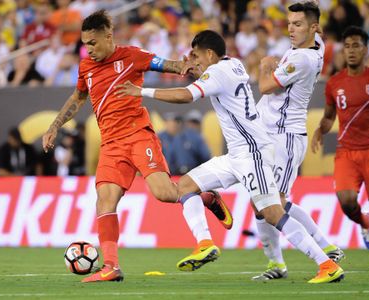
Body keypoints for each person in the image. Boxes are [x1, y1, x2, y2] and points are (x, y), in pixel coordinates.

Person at [115, 29, 344, 284]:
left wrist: (142, 92)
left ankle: (326, 264)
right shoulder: (233, 64)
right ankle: (205, 243)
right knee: (185, 187)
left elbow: (185, 96)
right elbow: (210, 76)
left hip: (253, 153)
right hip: (236, 154)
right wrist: (196, 69)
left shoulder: (218, 72)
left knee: (272, 213)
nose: (194, 60)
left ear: (210, 53)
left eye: (197, 55)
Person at [41, 10, 232, 283]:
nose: (89, 50)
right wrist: (55, 125)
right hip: (111, 144)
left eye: (93, 43)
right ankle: (111, 266)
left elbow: (167, 65)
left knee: (165, 194)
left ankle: (206, 197)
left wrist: (183, 66)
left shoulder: (132, 56)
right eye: (85, 44)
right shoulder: (86, 67)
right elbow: (78, 97)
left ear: (108, 37)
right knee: (105, 201)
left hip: (138, 136)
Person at [253, 2, 343, 280]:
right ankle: (321, 249)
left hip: (285, 138)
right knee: (265, 204)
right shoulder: (317, 44)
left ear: (313, 27)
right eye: (290, 23)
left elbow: (266, 86)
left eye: (298, 24)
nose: (291, 29)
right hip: (271, 134)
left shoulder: (302, 58)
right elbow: (319, 33)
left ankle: (315, 257)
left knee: (271, 205)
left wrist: (264, 66)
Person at [311, 26, 369, 270]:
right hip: (346, 152)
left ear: (366, 49)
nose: (351, 51)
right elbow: (330, 116)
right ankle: (364, 224)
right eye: (347, 46)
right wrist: (321, 129)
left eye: (356, 45)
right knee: (347, 201)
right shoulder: (334, 83)